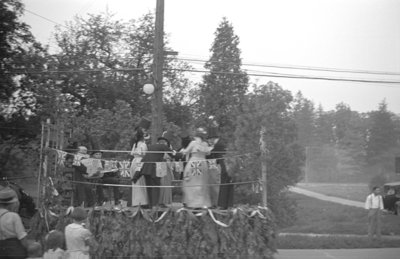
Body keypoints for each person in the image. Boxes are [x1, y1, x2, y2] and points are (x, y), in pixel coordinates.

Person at [181, 128, 213, 208]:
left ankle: (193, 202)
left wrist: (181, 151)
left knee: (191, 182)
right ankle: (203, 202)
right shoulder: (205, 144)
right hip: (203, 163)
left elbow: (186, 152)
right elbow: (208, 153)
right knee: (202, 182)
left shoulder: (193, 143)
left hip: (194, 163)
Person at [140, 137, 175, 208]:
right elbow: (171, 155)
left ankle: (157, 203)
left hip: (157, 167)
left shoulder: (153, 147)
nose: (165, 143)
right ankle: (156, 203)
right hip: (158, 166)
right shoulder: (161, 147)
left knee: (159, 185)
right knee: (158, 184)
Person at [207, 128, 234, 209]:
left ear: (212, 138)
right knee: (227, 184)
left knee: (224, 184)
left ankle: (222, 205)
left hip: (226, 166)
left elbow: (211, 155)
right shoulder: (221, 143)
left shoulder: (218, 145)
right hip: (228, 165)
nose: (209, 141)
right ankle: (228, 204)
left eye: (209, 139)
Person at [0, 187, 29, 258]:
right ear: (11, 204)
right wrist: (28, 248)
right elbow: (22, 237)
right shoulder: (13, 216)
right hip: (15, 250)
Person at [129, 128, 148, 207]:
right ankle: (141, 201)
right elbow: (145, 154)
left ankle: (136, 201)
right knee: (140, 181)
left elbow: (132, 153)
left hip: (134, 161)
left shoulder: (135, 144)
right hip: (140, 161)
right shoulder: (143, 145)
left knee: (136, 182)